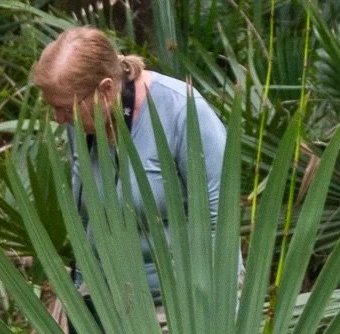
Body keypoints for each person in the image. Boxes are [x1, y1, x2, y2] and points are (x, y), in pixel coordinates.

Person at [31, 26, 228, 302]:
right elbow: (88, 217)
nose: (59, 119)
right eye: (52, 107)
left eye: (65, 109)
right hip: (101, 300)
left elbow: (219, 222)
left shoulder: (183, 111)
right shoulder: (82, 118)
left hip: (177, 308)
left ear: (106, 88)